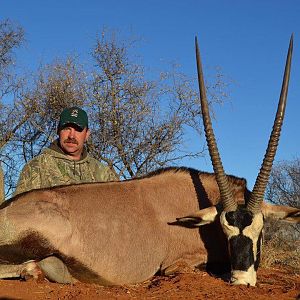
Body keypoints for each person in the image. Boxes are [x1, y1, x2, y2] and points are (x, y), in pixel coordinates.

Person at [14, 106, 117, 196]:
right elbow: (20, 212)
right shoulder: (36, 168)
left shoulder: (103, 174)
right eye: (67, 128)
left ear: (87, 134)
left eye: (78, 129)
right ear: (58, 130)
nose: (71, 136)